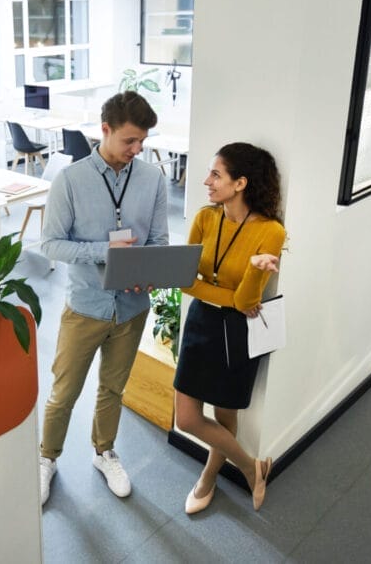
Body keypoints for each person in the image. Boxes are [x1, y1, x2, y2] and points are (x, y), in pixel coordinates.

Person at [38, 91, 169, 506]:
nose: (138, 149)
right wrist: (105, 253)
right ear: (105, 131)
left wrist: (145, 272)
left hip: (132, 308)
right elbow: (52, 245)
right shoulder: (71, 180)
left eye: (143, 141)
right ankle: (47, 458)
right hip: (86, 306)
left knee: (113, 388)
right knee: (65, 389)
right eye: (129, 140)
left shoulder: (153, 179)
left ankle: (104, 451)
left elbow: (159, 241)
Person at [174, 142, 286, 514]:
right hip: (201, 322)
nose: (206, 181)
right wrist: (228, 293)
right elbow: (185, 281)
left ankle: (209, 476)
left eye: (216, 175)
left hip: (237, 332)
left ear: (240, 183)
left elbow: (246, 302)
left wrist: (253, 271)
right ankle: (251, 466)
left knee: (226, 416)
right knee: (188, 418)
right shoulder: (206, 218)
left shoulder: (271, 232)